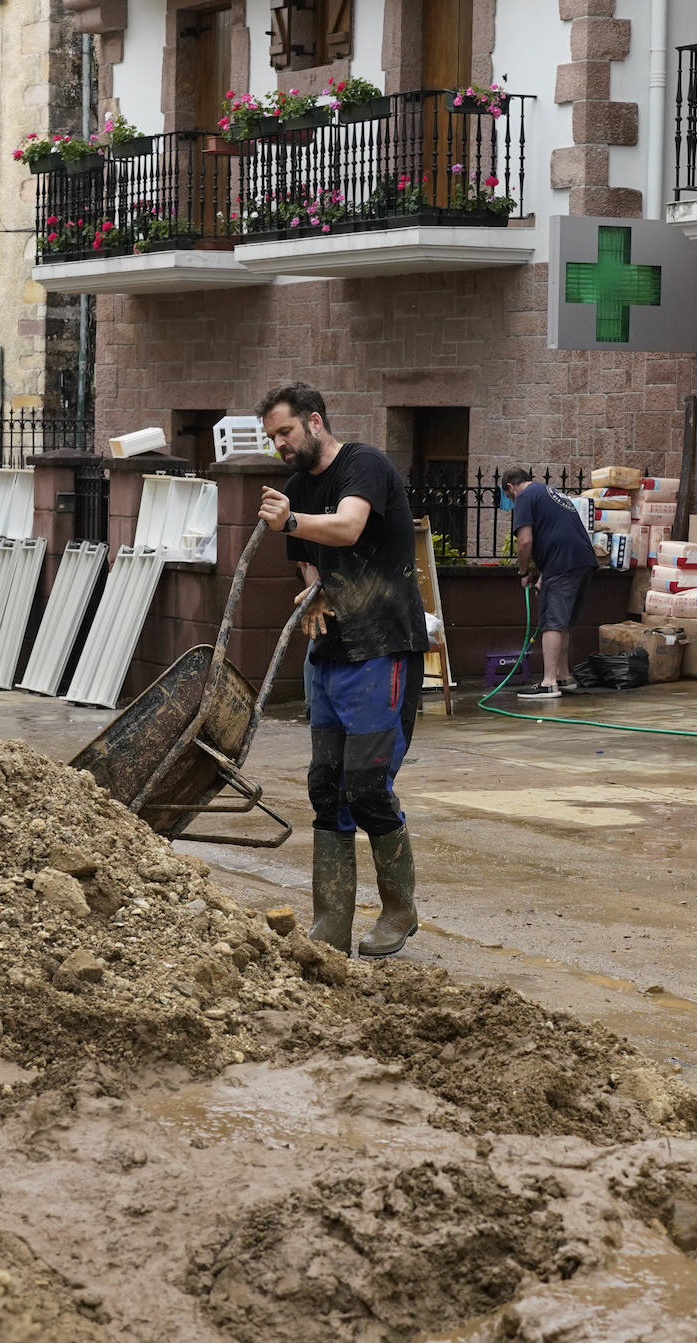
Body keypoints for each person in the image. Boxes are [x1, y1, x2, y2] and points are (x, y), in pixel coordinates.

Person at [256, 382, 429, 958]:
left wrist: (290, 522)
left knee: (367, 785)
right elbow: (307, 557)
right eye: (271, 437)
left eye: (284, 432)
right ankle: (331, 924)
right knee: (325, 787)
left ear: (315, 420)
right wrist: (317, 593)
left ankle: (399, 911)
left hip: (381, 651)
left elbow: (349, 527)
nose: (279, 444)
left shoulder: (365, 466)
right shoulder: (297, 486)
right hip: (329, 655)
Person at [501, 466, 597, 700]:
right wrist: (544, 576)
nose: (512, 501)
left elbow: (524, 542)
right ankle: (564, 676)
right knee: (563, 622)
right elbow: (559, 534)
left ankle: (549, 683)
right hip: (582, 560)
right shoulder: (550, 493)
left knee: (552, 622)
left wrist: (524, 572)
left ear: (510, 488)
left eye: (508, 497)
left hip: (562, 563)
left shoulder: (523, 496)